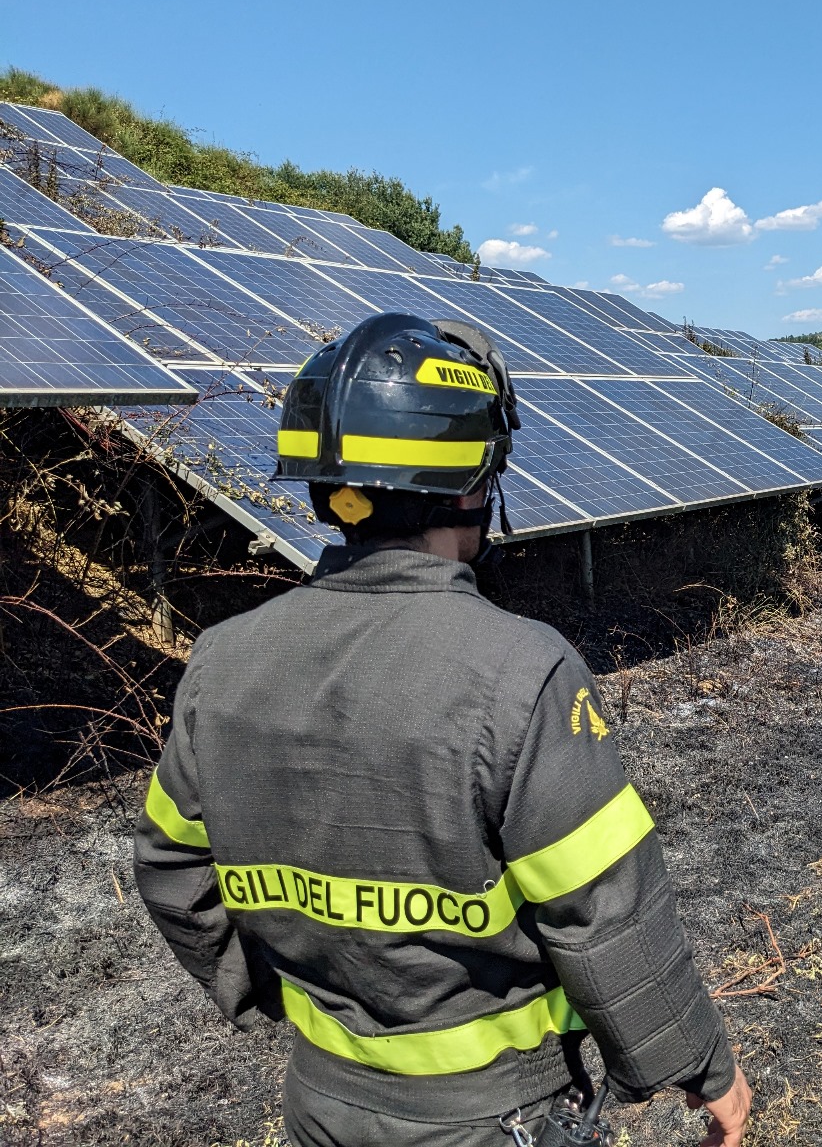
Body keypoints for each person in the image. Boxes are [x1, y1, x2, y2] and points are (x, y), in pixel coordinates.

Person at [133, 312, 751, 1146]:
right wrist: (700, 1066)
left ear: (325, 483)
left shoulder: (221, 661)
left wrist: (272, 992)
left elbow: (171, 868)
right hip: (490, 1116)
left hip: (321, 1102)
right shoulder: (520, 671)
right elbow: (603, 907)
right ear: (473, 486)